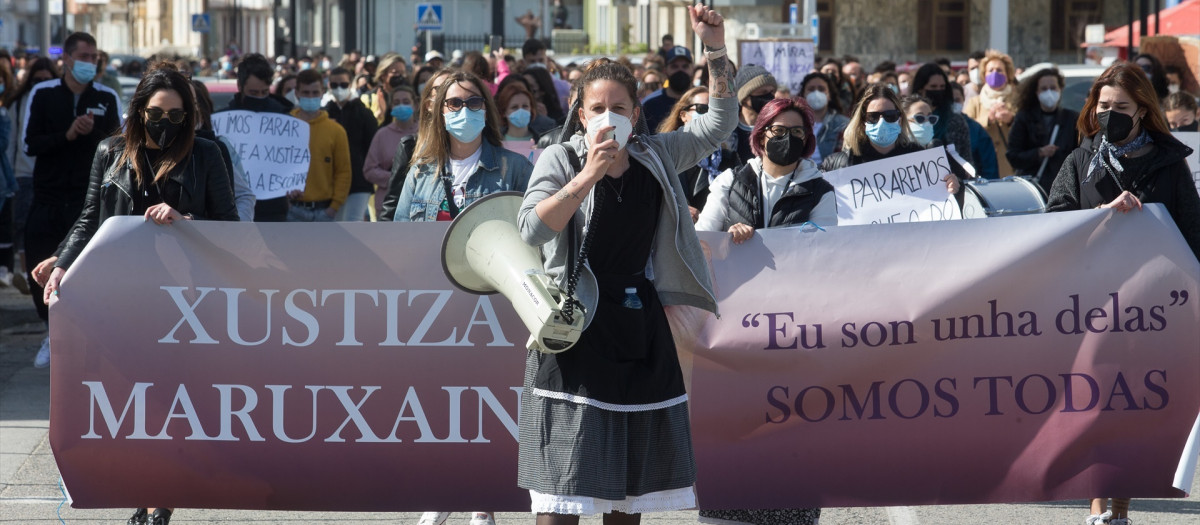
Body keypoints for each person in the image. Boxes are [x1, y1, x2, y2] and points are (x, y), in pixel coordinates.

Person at [515, 5, 734, 522]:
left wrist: (715, 47)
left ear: (635, 114)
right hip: (574, 324)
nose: (607, 115)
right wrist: (587, 176)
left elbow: (718, 125)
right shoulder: (560, 158)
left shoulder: (656, 155)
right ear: (580, 113)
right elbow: (532, 229)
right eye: (597, 107)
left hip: (637, 323)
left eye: (619, 106)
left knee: (628, 493)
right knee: (563, 486)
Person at [33, 64, 238, 525]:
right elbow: (91, 218)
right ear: (139, 110)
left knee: (176, 399)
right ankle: (143, 492)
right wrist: (62, 261)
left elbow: (231, 228)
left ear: (189, 117)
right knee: (133, 400)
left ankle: (161, 500)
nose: (166, 124)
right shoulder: (110, 152)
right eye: (157, 114)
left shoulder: (206, 154)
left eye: (177, 116)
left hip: (186, 299)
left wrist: (186, 221)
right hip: (123, 295)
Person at [1048, 64, 1199, 525]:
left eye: (1121, 107)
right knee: (1095, 404)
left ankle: (1121, 508)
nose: (1109, 114)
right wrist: (1101, 214)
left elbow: (1192, 234)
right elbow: (1052, 222)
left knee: (1135, 406)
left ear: (1143, 111)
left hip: (1150, 309)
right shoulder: (1079, 161)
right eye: (1103, 106)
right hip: (1088, 306)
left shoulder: (1170, 165)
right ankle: (1099, 508)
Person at [396, 69, 532, 525]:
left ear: (486, 111)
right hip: (435, 309)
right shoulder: (420, 171)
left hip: (494, 305)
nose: (463, 111)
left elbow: (539, 234)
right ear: (439, 111)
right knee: (440, 404)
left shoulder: (514, 168)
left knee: (489, 402)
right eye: (454, 103)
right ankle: (445, 490)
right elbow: (399, 238)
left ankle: (481, 502)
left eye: (474, 102)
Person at [21, 32, 121, 368]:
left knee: (83, 270)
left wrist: (90, 134)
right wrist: (66, 134)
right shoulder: (43, 94)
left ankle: (81, 336)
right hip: (47, 197)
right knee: (39, 265)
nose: (90, 63)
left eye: (94, 57)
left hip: (86, 200)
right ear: (66, 59)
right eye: (84, 56)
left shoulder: (106, 97)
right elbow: (29, 144)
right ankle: (51, 331)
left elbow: (118, 147)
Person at [696, 95, 835, 252]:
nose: (788, 137)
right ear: (761, 136)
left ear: (805, 140)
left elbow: (824, 250)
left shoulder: (821, 192)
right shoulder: (729, 181)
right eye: (779, 130)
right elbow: (701, 241)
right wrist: (726, 239)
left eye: (797, 131)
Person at [3, 57, 57, 294]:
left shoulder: (56, 99)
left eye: (46, 79)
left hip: (51, 174)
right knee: (23, 224)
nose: (41, 83)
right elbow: (12, 141)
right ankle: (27, 274)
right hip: (24, 173)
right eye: (37, 79)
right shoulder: (18, 103)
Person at [221, 53, 293, 221]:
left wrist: (293, 184)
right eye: (253, 92)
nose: (259, 97)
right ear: (239, 86)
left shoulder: (285, 119)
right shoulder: (222, 121)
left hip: (274, 207)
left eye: (264, 92)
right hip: (235, 207)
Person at [380, 68, 454, 221]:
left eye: (452, 86)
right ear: (428, 104)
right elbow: (393, 203)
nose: (447, 95)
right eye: (440, 89)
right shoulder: (410, 146)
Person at [657, 85, 740, 218]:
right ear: (683, 115)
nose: (709, 115)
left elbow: (741, 201)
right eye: (702, 109)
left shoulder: (729, 158)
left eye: (713, 110)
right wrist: (677, 208)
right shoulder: (665, 155)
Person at [287, 69, 351, 222]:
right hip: (291, 209)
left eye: (315, 92)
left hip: (325, 210)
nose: (310, 97)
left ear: (322, 93)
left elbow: (343, 171)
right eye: (306, 92)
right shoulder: (284, 127)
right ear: (297, 93)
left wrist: (334, 207)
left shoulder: (336, 131)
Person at [1006, 67, 1080, 193]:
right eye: (1044, 89)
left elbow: (1080, 154)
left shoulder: (1072, 118)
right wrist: (1038, 153)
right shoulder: (1024, 118)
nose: (1049, 92)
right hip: (1033, 189)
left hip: (1063, 187)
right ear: (1036, 92)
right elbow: (1013, 156)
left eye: (1053, 88)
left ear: (1060, 89)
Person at [191, 79, 256, 221]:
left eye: (193, 107)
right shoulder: (142, 152)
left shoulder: (213, 150)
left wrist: (233, 230)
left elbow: (243, 196)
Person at [324, 67, 379, 221]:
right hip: (331, 180)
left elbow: (372, 148)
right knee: (334, 225)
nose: (339, 89)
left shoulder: (363, 113)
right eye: (334, 85)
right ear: (329, 86)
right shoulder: (325, 113)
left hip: (359, 180)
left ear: (350, 85)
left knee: (353, 223)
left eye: (343, 84)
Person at [364, 85, 419, 220]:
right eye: (396, 102)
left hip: (419, 202)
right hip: (388, 204)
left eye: (406, 102)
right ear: (391, 106)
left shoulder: (425, 132)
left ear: (415, 105)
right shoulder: (382, 134)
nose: (401, 106)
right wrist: (396, 178)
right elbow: (369, 170)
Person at [963, 49, 1017, 176]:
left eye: (999, 70)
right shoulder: (974, 102)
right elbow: (966, 129)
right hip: (984, 166)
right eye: (990, 70)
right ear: (984, 74)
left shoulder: (1017, 100)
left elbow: (1028, 128)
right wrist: (987, 120)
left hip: (1010, 168)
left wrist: (1011, 120)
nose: (995, 73)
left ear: (1007, 74)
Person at [911, 63, 973, 165]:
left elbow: (966, 159)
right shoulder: (909, 119)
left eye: (942, 87)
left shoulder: (956, 121)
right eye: (933, 86)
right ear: (920, 89)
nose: (938, 90)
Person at [798, 71, 849, 166]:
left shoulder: (843, 124)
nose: (816, 93)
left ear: (829, 95)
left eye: (821, 89)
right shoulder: (794, 122)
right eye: (811, 89)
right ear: (803, 94)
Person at [950, 81, 999, 179]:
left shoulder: (976, 129)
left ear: (964, 99)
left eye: (957, 100)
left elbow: (989, 167)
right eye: (950, 100)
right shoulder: (935, 126)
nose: (953, 103)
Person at [641, 45, 695, 132]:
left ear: (692, 69)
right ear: (665, 70)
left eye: (685, 66)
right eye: (674, 66)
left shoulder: (703, 100)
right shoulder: (649, 104)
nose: (680, 70)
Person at [732, 65, 779, 161]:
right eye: (763, 93)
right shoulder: (729, 131)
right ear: (744, 98)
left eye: (772, 92)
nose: (769, 97)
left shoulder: (777, 126)